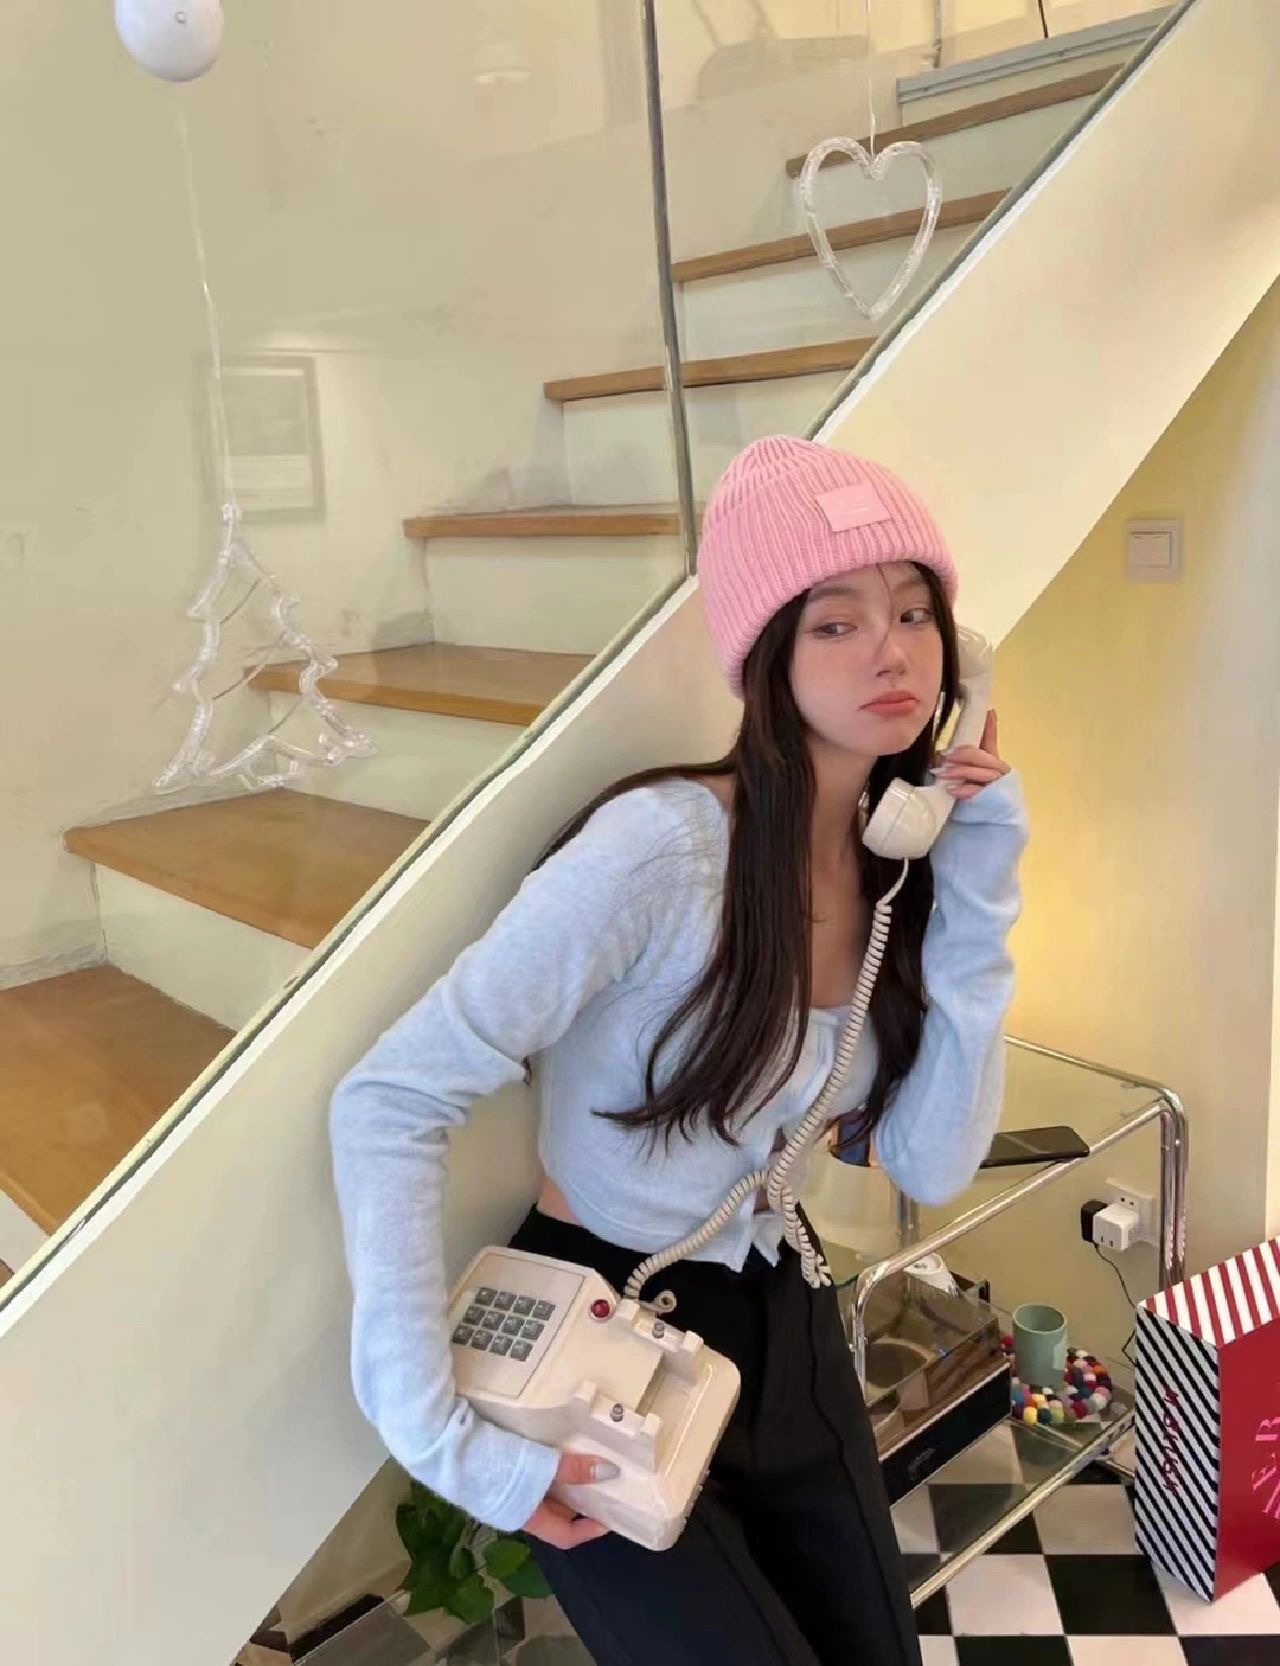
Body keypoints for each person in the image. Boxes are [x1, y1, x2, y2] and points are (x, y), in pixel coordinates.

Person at [329, 434, 1029, 1666]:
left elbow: (928, 1162)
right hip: (606, 1328)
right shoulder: (661, 852)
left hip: (787, 1316)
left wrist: (977, 885)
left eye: (915, 612)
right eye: (834, 622)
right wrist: (437, 1435)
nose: (891, 652)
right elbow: (387, 1097)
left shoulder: (902, 865)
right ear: (763, 656)